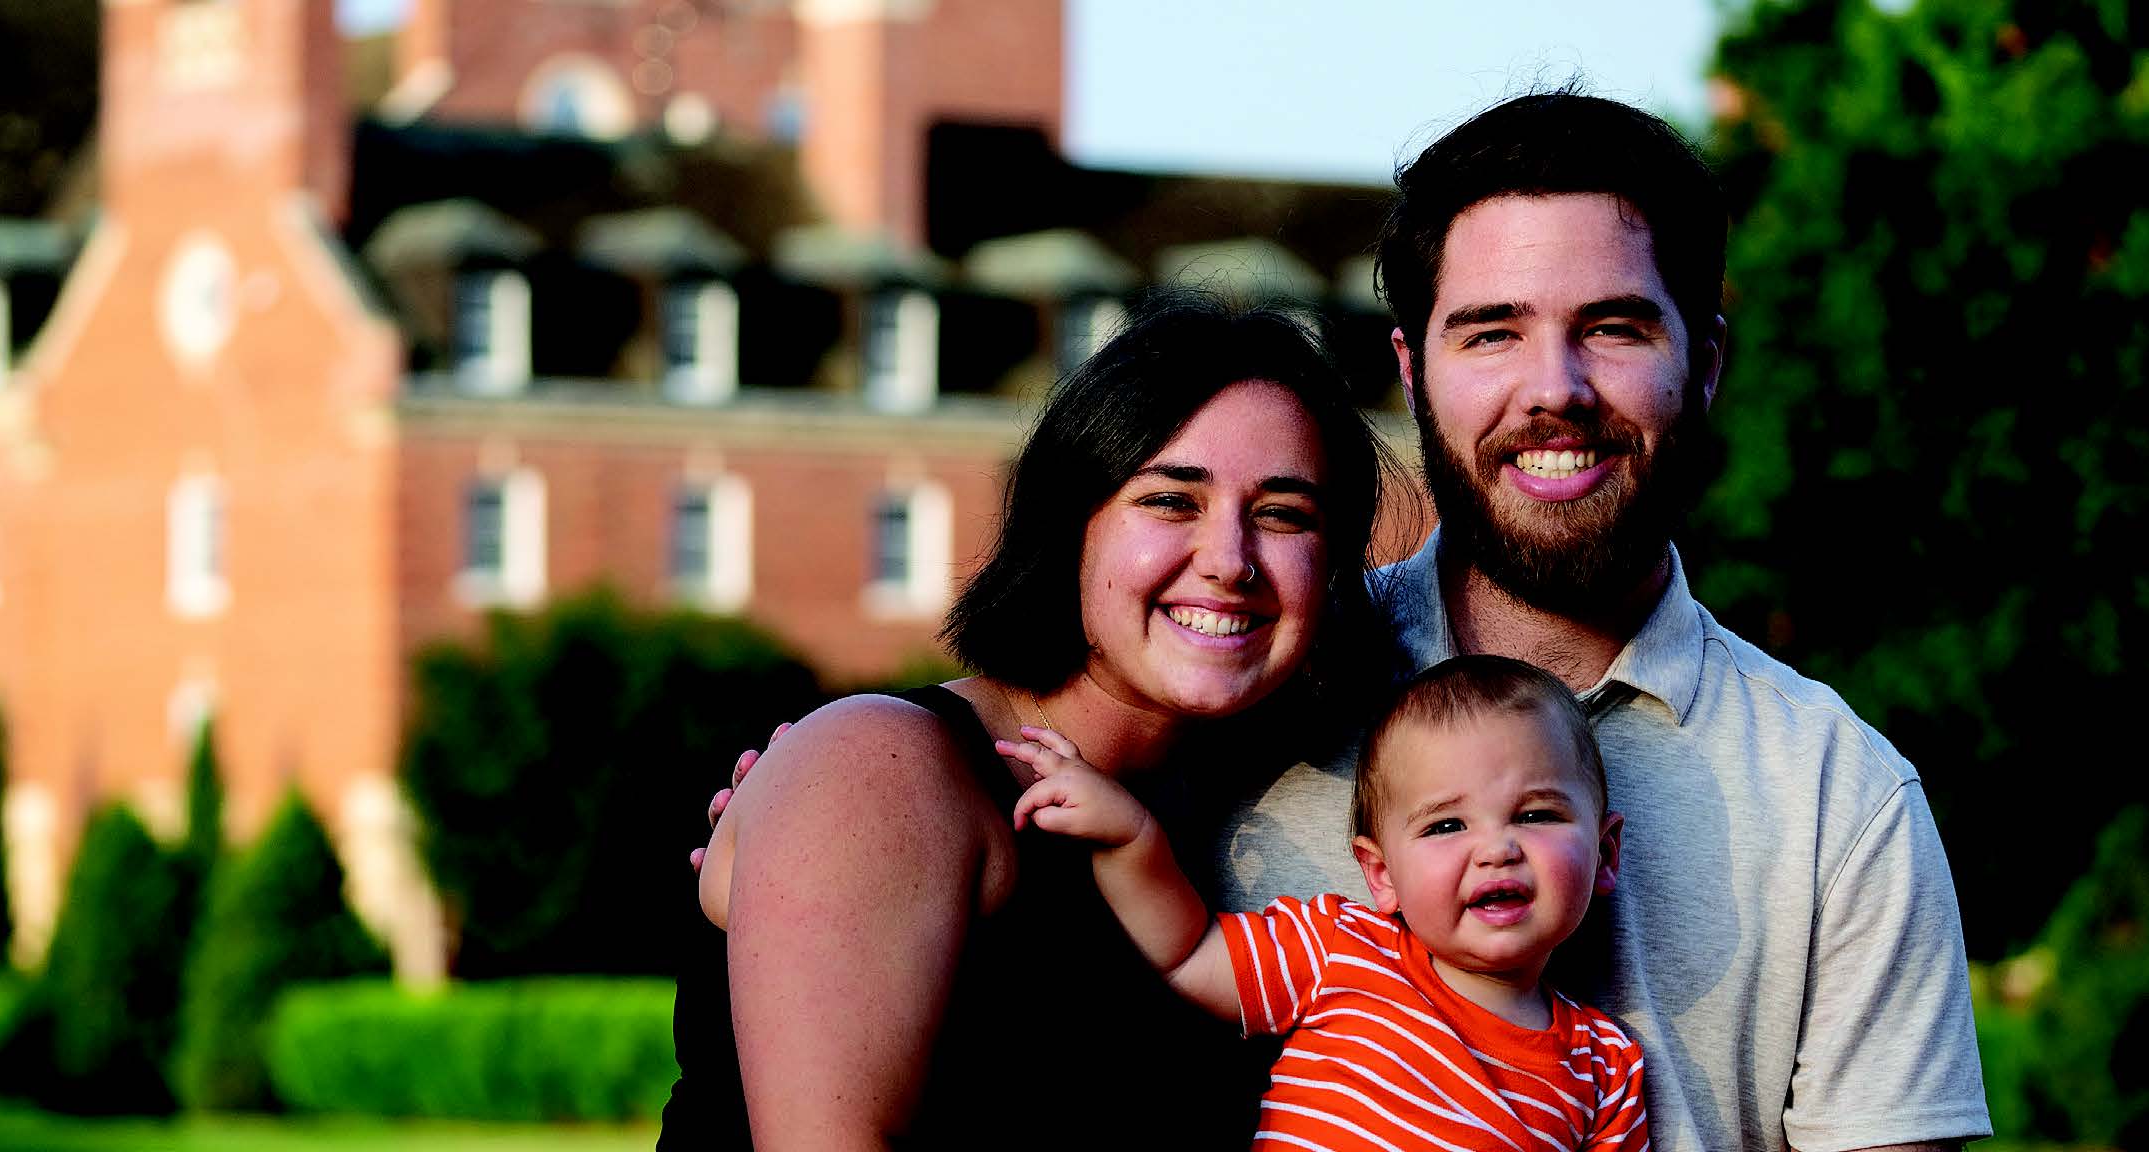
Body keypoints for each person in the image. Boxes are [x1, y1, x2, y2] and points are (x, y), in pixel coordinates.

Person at [699, 90, 1992, 1151]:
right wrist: (805, 840)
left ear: (1700, 362)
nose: (1553, 389)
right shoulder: (1269, 691)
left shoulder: (1839, 796)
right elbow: (969, 839)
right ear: (1412, 368)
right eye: (1490, 332)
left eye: (1610, 328)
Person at [658, 291, 1399, 1150]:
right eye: (1169, 501)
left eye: (1284, 514)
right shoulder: (885, 765)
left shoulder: (1223, 820)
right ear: (1067, 526)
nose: (1230, 561)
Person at [1009, 654, 1648, 1151]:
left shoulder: (1605, 1067)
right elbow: (1190, 950)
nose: (1496, 849)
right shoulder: (1340, 949)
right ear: (1380, 874)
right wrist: (1131, 838)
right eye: (1446, 826)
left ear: (1606, 854)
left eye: (1535, 814)